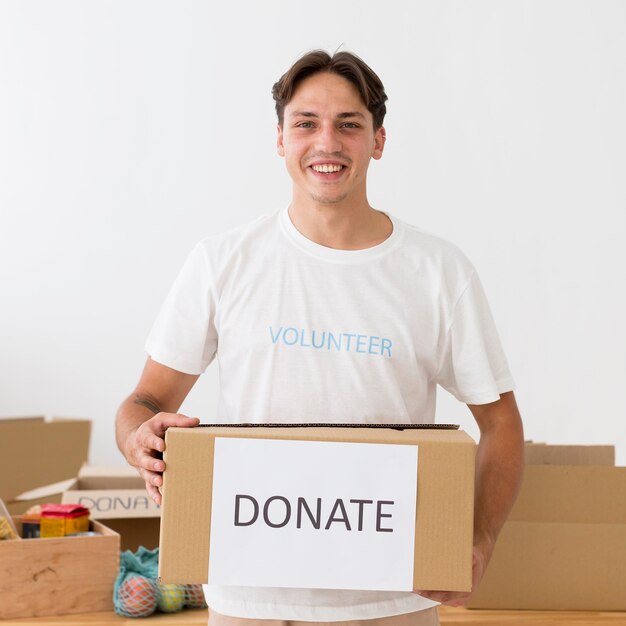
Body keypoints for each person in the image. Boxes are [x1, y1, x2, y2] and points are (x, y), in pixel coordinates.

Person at [116, 49, 524, 626]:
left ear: (378, 141)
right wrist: (139, 439)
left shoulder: (439, 272)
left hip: (393, 601)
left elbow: (502, 421)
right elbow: (144, 403)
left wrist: (478, 540)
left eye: (349, 125)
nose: (326, 142)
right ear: (281, 139)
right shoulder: (221, 262)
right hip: (250, 599)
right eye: (306, 123)